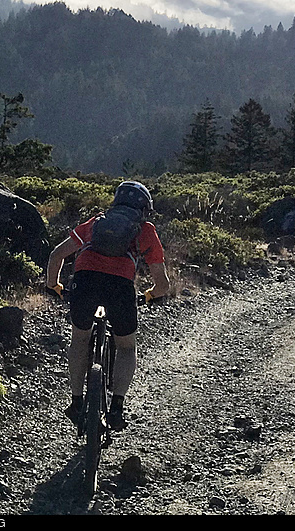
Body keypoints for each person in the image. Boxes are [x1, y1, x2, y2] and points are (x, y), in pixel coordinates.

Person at [45, 181, 170, 430]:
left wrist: (54, 286)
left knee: (80, 338)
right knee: (126, 346)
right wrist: (148, 296)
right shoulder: (145, 230)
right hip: (120, 289)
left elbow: (56, 255)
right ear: (145, 207)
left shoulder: (96, 222)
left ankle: (77, 401)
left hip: (85, 281)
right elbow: (163, 284)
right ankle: (117, 408)